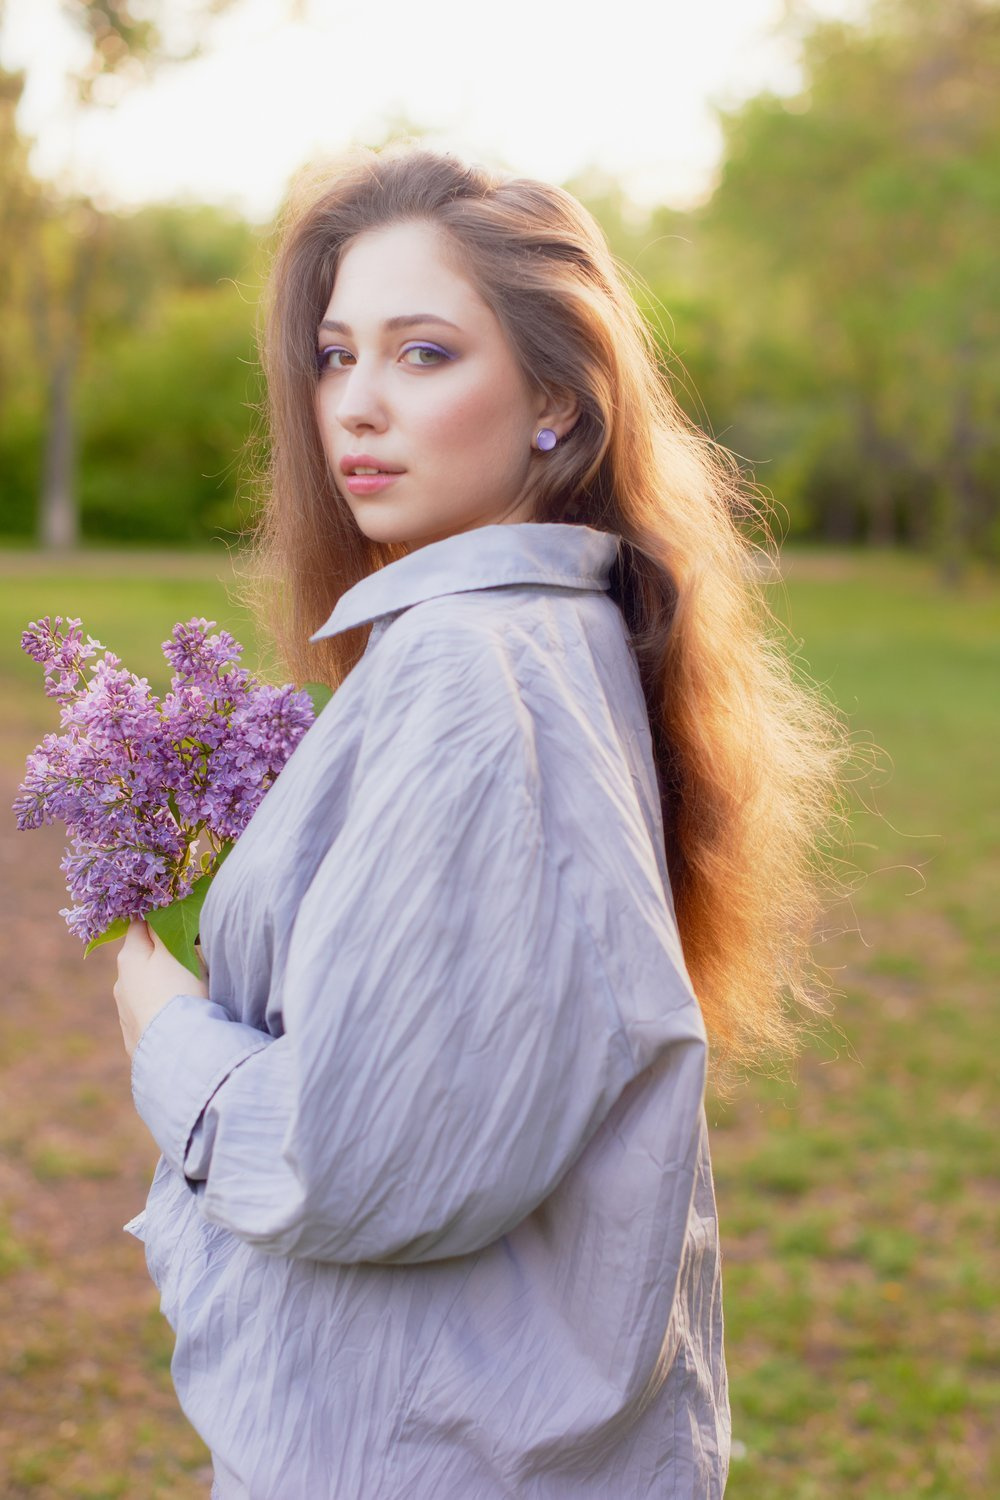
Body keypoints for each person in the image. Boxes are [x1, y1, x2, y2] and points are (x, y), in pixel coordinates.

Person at [113, 143, 845, 1499]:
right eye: (335, 356)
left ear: (559, 401)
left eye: (425, 354)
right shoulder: (542, 638)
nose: (358, 409)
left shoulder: (476, 671)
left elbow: (359, 1164)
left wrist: (164, 1036)